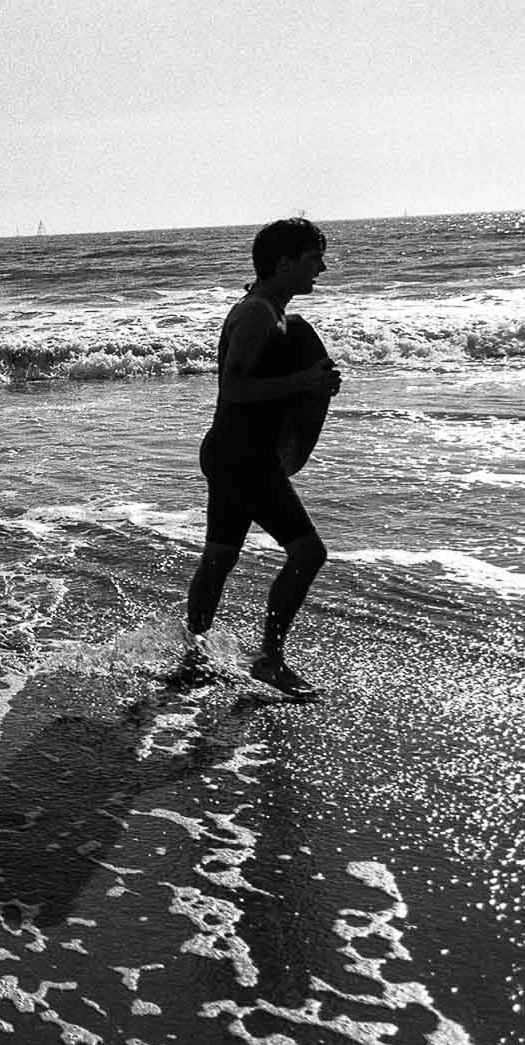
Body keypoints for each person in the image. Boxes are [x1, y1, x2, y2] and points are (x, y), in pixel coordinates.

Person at [183, 217, 342, 701]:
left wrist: (311, 389)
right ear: (284, 262)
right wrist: (305, 383)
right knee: (309, 553)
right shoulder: (256, 313)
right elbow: (234, 388)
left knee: (220, 557)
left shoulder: (275, 314)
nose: (321, 267)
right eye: (313, 259)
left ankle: (194, 655)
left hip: (234, 452)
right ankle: (270, 660)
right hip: (243, 455)